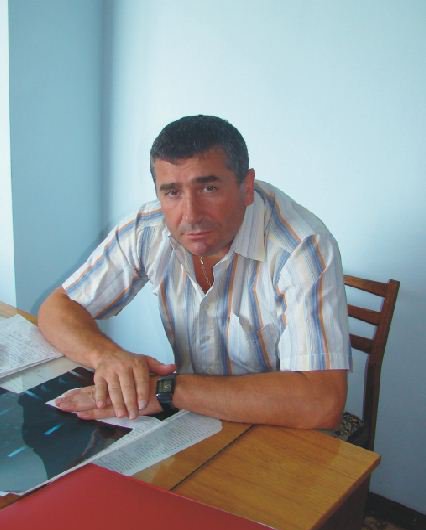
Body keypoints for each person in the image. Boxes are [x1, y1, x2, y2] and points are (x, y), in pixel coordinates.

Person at [38, 115, 350, 428]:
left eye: (209, 188)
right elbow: (58, 308)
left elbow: (321, 403)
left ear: (246, 187)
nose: (190, 215)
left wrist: (165, 389)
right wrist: (107, 357)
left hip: (281, 427)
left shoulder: (300, 248)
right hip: (194, 413)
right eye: (172, 192)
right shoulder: (148, 228)